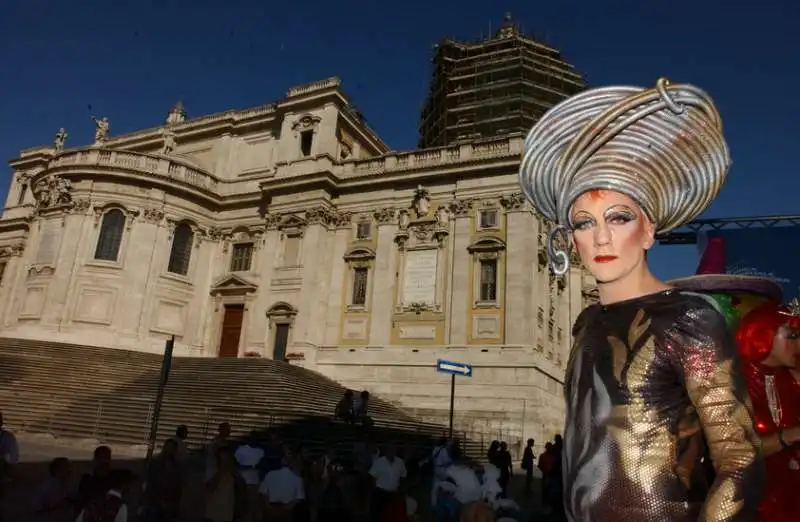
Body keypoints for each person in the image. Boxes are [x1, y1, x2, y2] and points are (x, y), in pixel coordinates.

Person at [518, 77, 763, 521]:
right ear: (570, 239)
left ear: (649, 230)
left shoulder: (690, 317)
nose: (602, 237)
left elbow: (740, 462)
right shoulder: (586, 323)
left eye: (619, 217)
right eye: (584, 223)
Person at [734, 299, 800, 522]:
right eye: (792, 336)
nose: (799, 344)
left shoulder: (789, 378)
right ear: (763, 334)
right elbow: (733, 451)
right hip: (752, 501)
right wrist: (792, 435)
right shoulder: (734, 380)